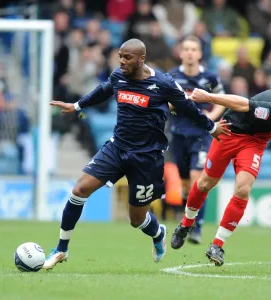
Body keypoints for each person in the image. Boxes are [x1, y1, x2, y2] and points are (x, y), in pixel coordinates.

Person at [43, 39, 229, 270]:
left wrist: (211, 128)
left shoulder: (163, 83)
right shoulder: (118, 76)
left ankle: (158, 233)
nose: (122, 61)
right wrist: (77, 106)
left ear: (141, 59)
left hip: (147, 158)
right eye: (120, 56)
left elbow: (187, 107)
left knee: (136, 219)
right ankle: (61, 249)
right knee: (79, 190)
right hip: (116, 148)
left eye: (127, 57)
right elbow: (103, 91)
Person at [171, 87, 271, 266]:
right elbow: (242, 103)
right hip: (229, 131)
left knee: (243, 189)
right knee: (205, 184)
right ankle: (185, 224)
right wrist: (208, 97)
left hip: (256, 141)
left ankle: (217, 245)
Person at [169, 36, 225, 244]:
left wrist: (210, 118)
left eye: (194, 49)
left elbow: (221, 100)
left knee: (197, 180)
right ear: (181, 53)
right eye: (186, 49)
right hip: (178, 134)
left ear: (200, 53)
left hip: (201, 136)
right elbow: (164, 102)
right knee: (185, 185)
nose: (190, 52)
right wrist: (175, 105)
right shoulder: (172, 76)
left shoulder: (210, 77)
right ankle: (188, 220)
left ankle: (196, 228)